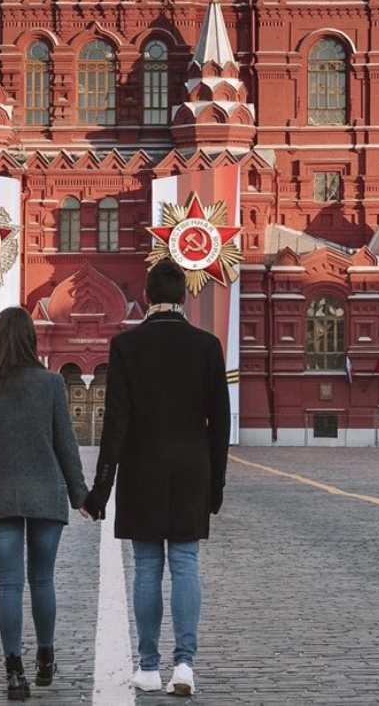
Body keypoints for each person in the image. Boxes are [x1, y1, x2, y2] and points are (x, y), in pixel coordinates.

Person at [84, 259, 230, 699]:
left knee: (147, 567)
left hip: (141, 468)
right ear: (184, 296)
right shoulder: (207, 345)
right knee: (185, 565)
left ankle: (148, 667)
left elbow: (117, 423)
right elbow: (219, 421)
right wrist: (216, 484)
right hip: (191, 469)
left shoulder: (127, 346)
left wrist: (100, 489)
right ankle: (184, 665)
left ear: (147, 297)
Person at [0, 306, 90, 701]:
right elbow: (66, 445)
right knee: (42, 580)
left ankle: (14, 673)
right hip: (45, 493)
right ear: (30, 339)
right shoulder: (50, 385)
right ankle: (45, 659)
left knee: (9, 585)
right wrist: (81, 496)